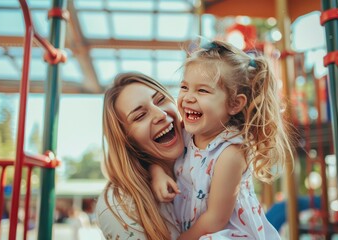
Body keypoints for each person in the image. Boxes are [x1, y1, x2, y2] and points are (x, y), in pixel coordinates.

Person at [151, 40, 294, 239]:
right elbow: (157, 159)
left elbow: (216, 219)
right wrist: (157, 173)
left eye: (202, 90)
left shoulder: (230, 153)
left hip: (223, 232)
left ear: (234, 104)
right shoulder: (185, 132)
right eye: (184, 87)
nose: (189, 97)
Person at [95, 72, 185, 240]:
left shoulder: (207, 148)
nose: (161, 115)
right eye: (140, 116)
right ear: (126, 140)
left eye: (160, 100)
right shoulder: (119, 206)